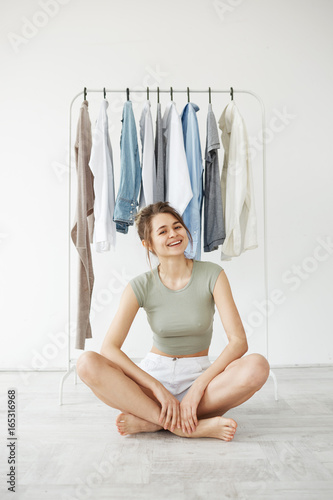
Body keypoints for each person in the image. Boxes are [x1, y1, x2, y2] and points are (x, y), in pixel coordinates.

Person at [77, 202, 270, 441]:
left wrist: (198, 386)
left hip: (199, 374)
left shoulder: (213, 274)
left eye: (177, 227)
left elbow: (239, 342)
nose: (173, 234)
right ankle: (185, 425)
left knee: (257, 367)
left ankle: (153, 421)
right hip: (154, 376)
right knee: (86, 363)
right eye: (163, 231)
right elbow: (109, 348)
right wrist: (157, 388)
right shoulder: (140, 285)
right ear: (148, 245)